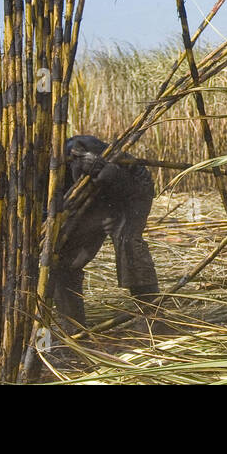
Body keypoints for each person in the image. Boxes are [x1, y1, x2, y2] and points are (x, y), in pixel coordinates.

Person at [51, 135, 159, 329]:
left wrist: (104, 171)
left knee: (127, 241)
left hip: (132, 190)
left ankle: (152, 317)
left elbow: (131, 185)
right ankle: (73, 328)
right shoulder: (36, 175)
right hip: (94, 199)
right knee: (64, 260)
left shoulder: (82, 150)